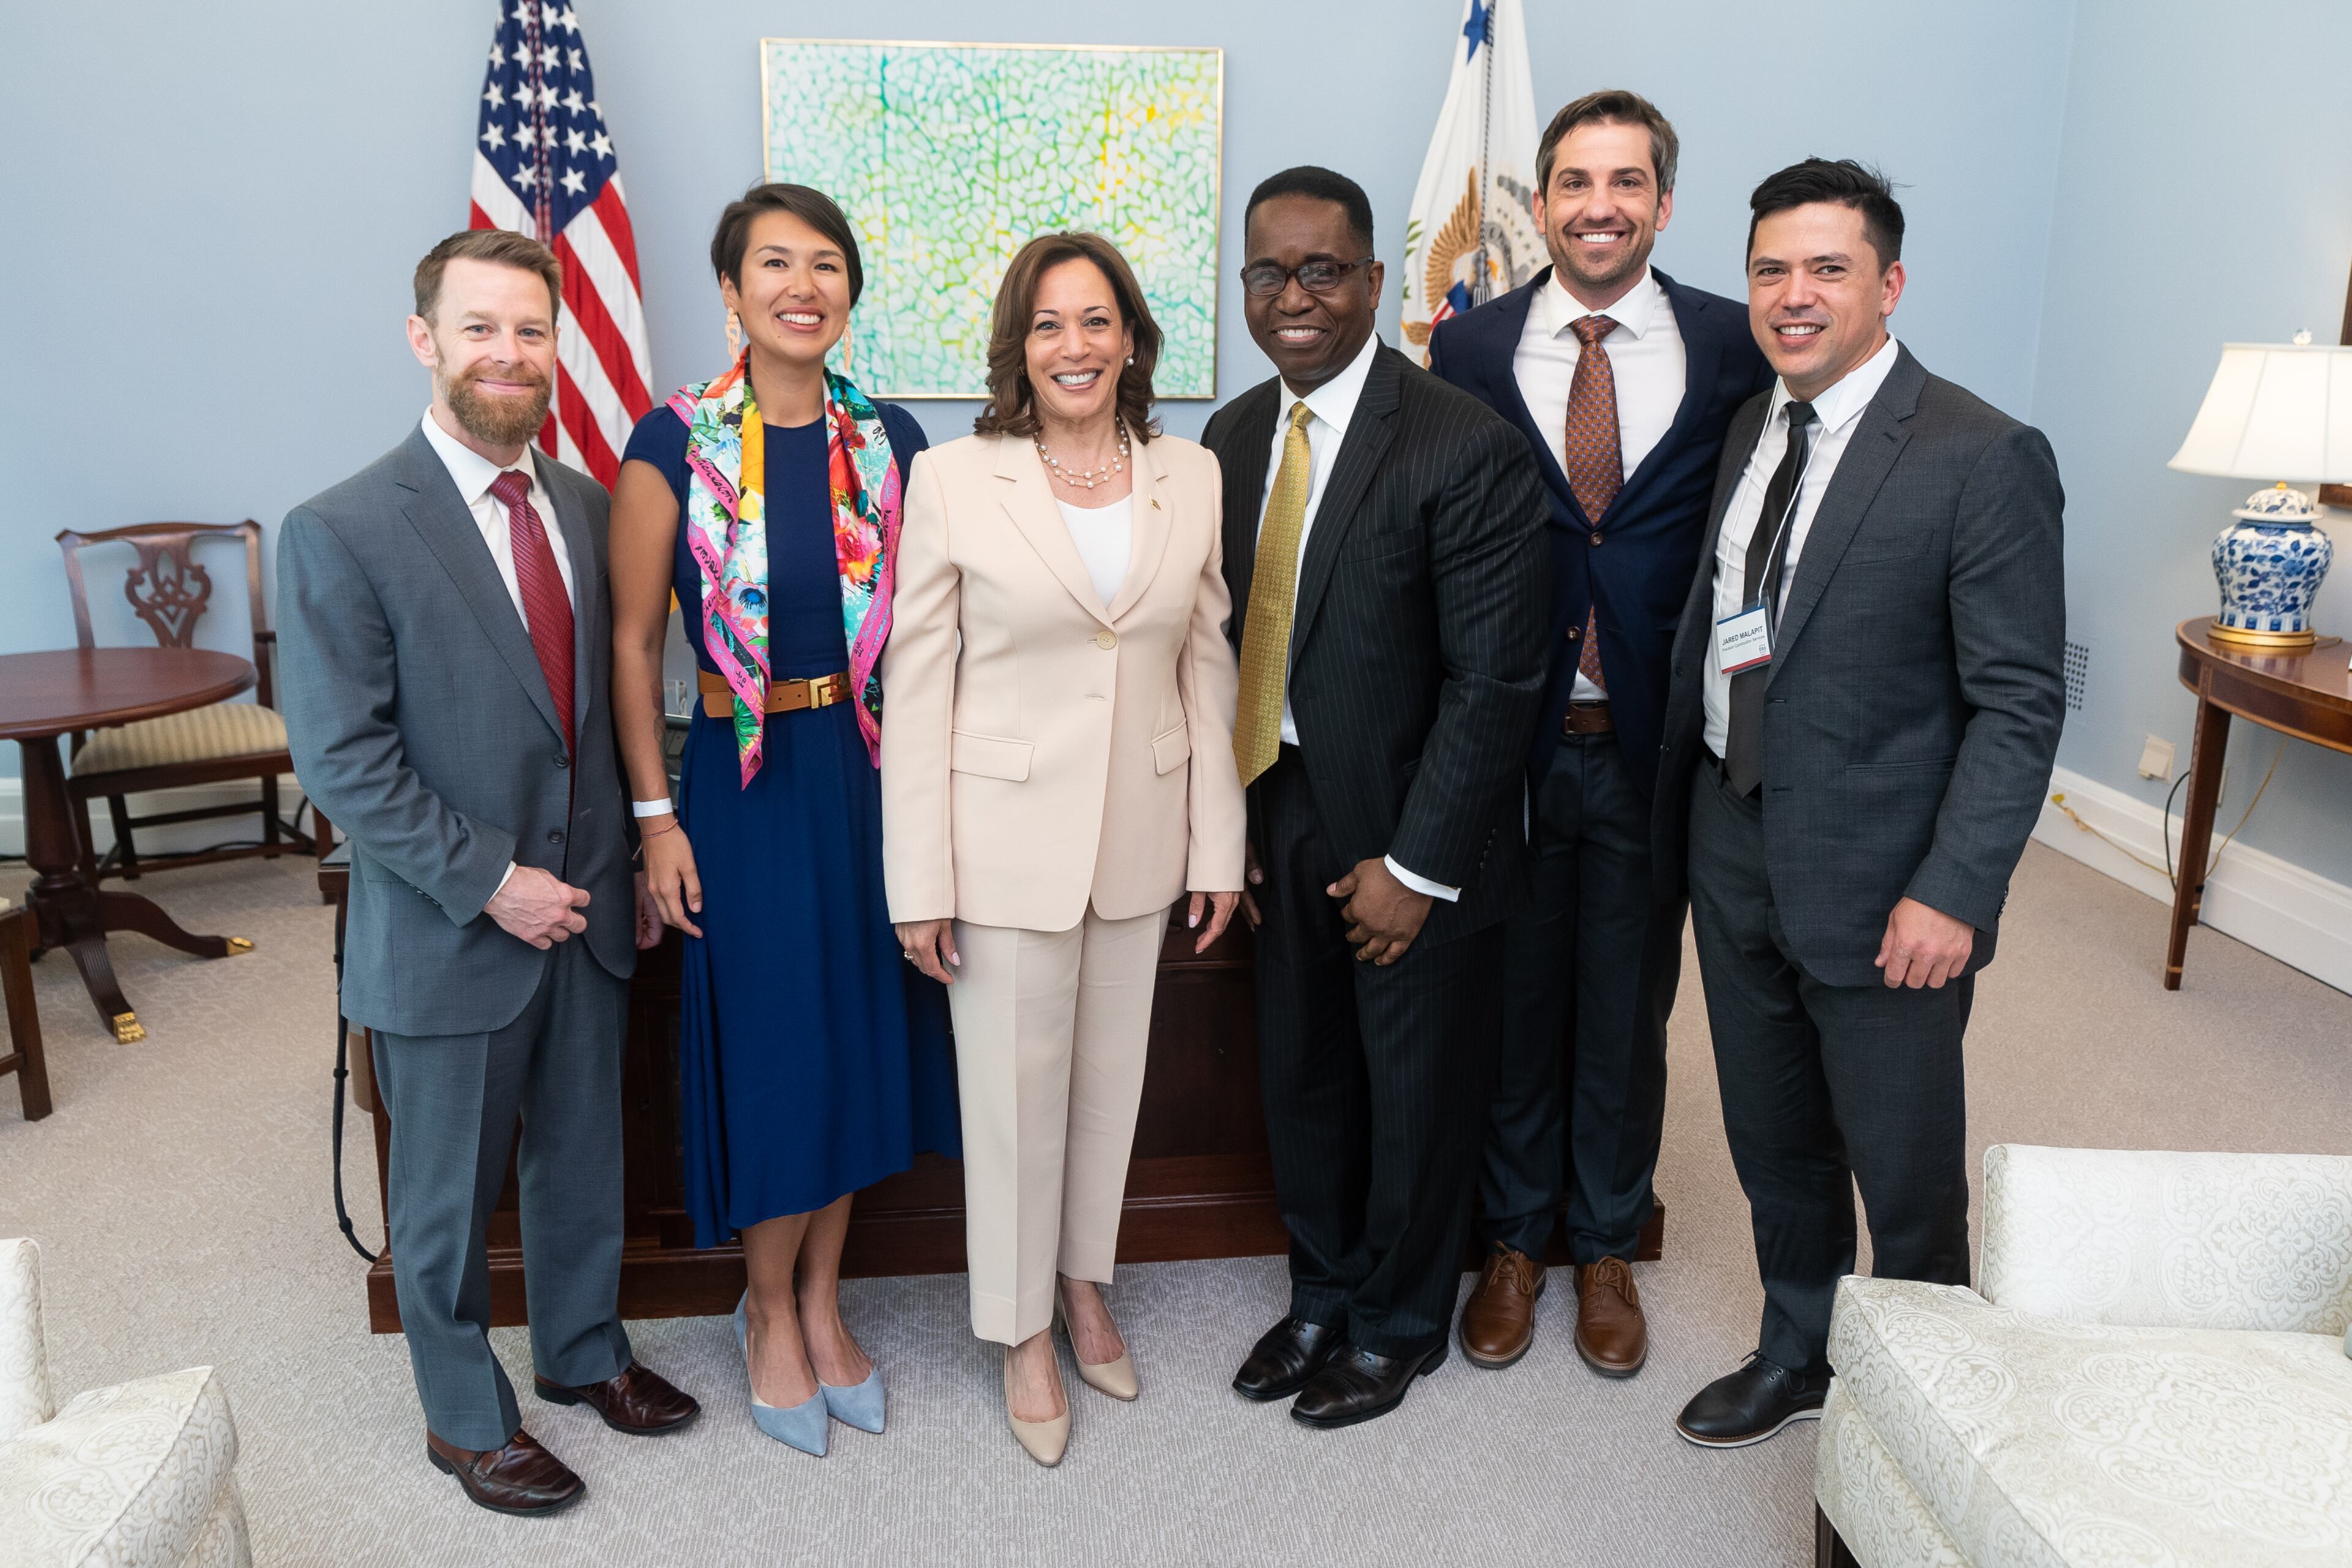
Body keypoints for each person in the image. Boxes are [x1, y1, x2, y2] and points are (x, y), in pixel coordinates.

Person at [278, 228, 697, 1517]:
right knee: (447, 1195)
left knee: (581, 1153)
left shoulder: (585, 503)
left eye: (530, 330)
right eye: (480, 328)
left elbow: (615, 694)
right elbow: (344, 763)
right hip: (457, 921)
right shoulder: (341, 528)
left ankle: (579, 1353)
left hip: (589, 909)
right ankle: (464, 1415)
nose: (508, 355)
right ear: (426, 340)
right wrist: (490, 879)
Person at [1654, 160, 2065, 1447]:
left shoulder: (1981, 453)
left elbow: (2019, 701)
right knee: (1771, 1130)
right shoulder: (1755, 425)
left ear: (1889, 284)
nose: (1793, 295)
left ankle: (1922, 1404)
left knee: (1902, 1159)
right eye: (1771, 268)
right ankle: (1801, 1347)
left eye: (1827, 268)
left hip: (1891, 878)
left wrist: (1956, 887)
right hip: (1733, 835)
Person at [881, 231, 1246, 1466]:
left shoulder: (1188, 475)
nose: (1074, 345)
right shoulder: (955, 477)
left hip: (1140, 835)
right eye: (1048, 324)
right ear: (1018, 347)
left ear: (1132, 340)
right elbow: (919, 689)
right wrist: (919, 880)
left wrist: (1219, 847)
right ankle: (1020, 1324)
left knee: (1108, 1089)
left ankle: (1087, 1278)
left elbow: (1208, 664)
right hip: (1001, 846)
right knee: (1013, 1100)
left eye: (1096, 321)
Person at [609, 183, 959, 1458]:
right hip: (744, 785)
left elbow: (931, 632)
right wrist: (656, 820)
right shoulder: (675, 442)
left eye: (826, 264)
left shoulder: (892, 438)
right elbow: (636, 643)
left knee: (862, 1036)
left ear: (848, 292)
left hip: (868, 771)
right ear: (730, 290)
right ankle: (766, 1307)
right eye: (774, 263)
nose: (802, 284)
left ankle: (826, 1295)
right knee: (777, 1050)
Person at [1428, 91, 1771, 1378]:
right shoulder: (1468, 352)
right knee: (1516, 998)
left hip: (1651, 739)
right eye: (1575, 182)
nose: (1600, 206)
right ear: (1541, 204)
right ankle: (1516, 1242)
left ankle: (1608, 1241)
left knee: (1628, 1004)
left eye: (1627, 183)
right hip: (1510, 736)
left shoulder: (1735, 347)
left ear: (1665, 203)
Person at [1204, 168, 1551, 1430]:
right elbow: (1228, 640)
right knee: (1300, 1069)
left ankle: (1400, 1321)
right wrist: (1230, 819)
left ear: (1376, 280)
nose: (1295, 296)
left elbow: (1498, 681)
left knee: (1414, 1085)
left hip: (1413, 824)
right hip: (1281, 799)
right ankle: (1322, 1288)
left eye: (1323, 270)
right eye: (1269, 272)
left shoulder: (1462, 443)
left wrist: (1417, 866)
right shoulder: (1235, 435)